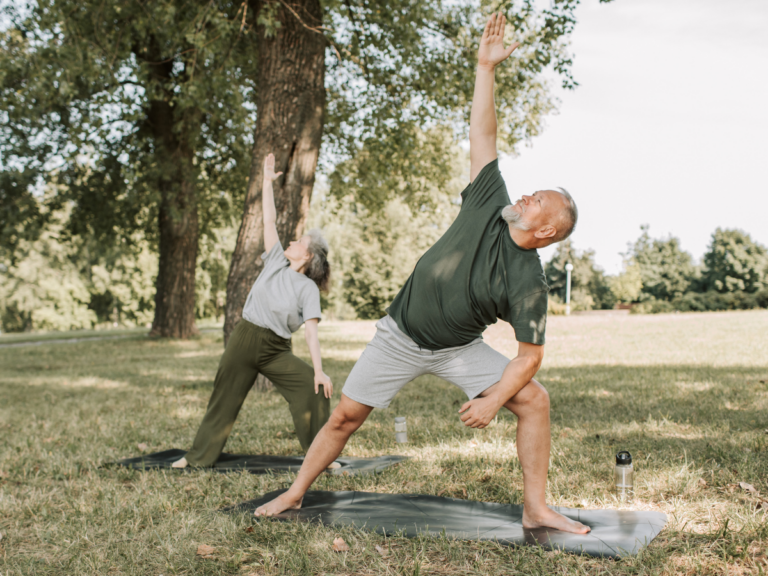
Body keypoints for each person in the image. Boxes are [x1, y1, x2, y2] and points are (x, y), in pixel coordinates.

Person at [254, 14, 589, 535]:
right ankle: (295, 494)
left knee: (534, 400)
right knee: (345, 417)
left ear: (546, 231)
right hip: (400, 335)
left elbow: (530, 358)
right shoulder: (489, 200)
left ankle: (536, 508)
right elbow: (483, 130)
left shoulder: (528, 280)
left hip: (456, 347)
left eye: (537, 200)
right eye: (531, 190)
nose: (526, 195)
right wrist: (485, 68)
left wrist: (495, 399)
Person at [172, 153, 333, 468]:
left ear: (309, 255)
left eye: (299, 240)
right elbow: (269, 219)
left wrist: (318, 370)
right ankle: (197, 458)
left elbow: (312, 334)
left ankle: (321, 459)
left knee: (313, 389)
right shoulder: (275, 260)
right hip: (245, 339)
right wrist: (266, 182)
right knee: (223, 398)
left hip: (276, 350)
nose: (291, 240)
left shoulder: (308, 289)